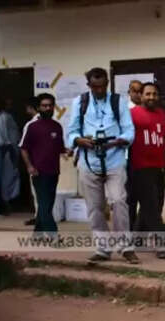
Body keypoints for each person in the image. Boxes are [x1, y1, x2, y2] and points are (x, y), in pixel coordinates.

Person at [66, 67, 139, 264]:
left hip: (114, 159)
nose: (99, 90)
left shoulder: (118, 102)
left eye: (103, 86)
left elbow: (129, 131)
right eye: (95, 86)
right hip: (88, 161)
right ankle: (103, 249)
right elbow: (71, 132)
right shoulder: (79, 103)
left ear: (108, 83)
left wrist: (116, 141)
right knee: (95, 207)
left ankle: (126, 247)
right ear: (89, 85)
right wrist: (79, 140)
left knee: (119, 201)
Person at [130, 82, 165, 259]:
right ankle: (160, 244)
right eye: (147, 94)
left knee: (155, 203)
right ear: (141, 96)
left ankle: (137, 238)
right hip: (140, 167)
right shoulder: (132, 114)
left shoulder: (161, 114)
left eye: (154, 94)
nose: (151, 97)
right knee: (152, 206)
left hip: (158, 167)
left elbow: (159, 138)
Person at [20, 93, 66, 241]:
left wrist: (72, 150)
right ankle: (53, 236)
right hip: (38, 172)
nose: (47, 108)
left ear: (54, 107)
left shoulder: (57, 126)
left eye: (50, 105)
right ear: (39, 107)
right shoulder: (32, 127)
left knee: (46, 204)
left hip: (54, 171)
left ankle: (37, 234)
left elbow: (60, 148)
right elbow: (23, 148)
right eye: (44, 105)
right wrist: (29, 167)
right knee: (45, 203)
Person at [125, 79, 143, 230]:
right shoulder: (124, 110)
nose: (137, 94)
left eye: (139, 91)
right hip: (127, 159)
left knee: (147, 197)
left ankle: (141, 227)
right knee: (130, 197)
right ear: (129, 92)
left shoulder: (147, 110)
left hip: (144, 159)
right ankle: (130, 228)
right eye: (134, 90)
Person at [19, 96, 40, 226]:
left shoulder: (30, 124)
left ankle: (40, 217)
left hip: (35, 162)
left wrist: (29, 165)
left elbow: (23, 147)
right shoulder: (52, 122)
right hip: (48, 163)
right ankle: (42, 216)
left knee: (37, 192)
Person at [0, 97, 21, 213]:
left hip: (15, 148)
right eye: (8, 104)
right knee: (8, 177)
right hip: (9, 150)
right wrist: (9, 149)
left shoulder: (9, 116)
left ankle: (11, 200)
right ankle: (6, 202)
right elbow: (4, 135)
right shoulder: (3, 117)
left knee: (14, 175)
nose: (10, 106)